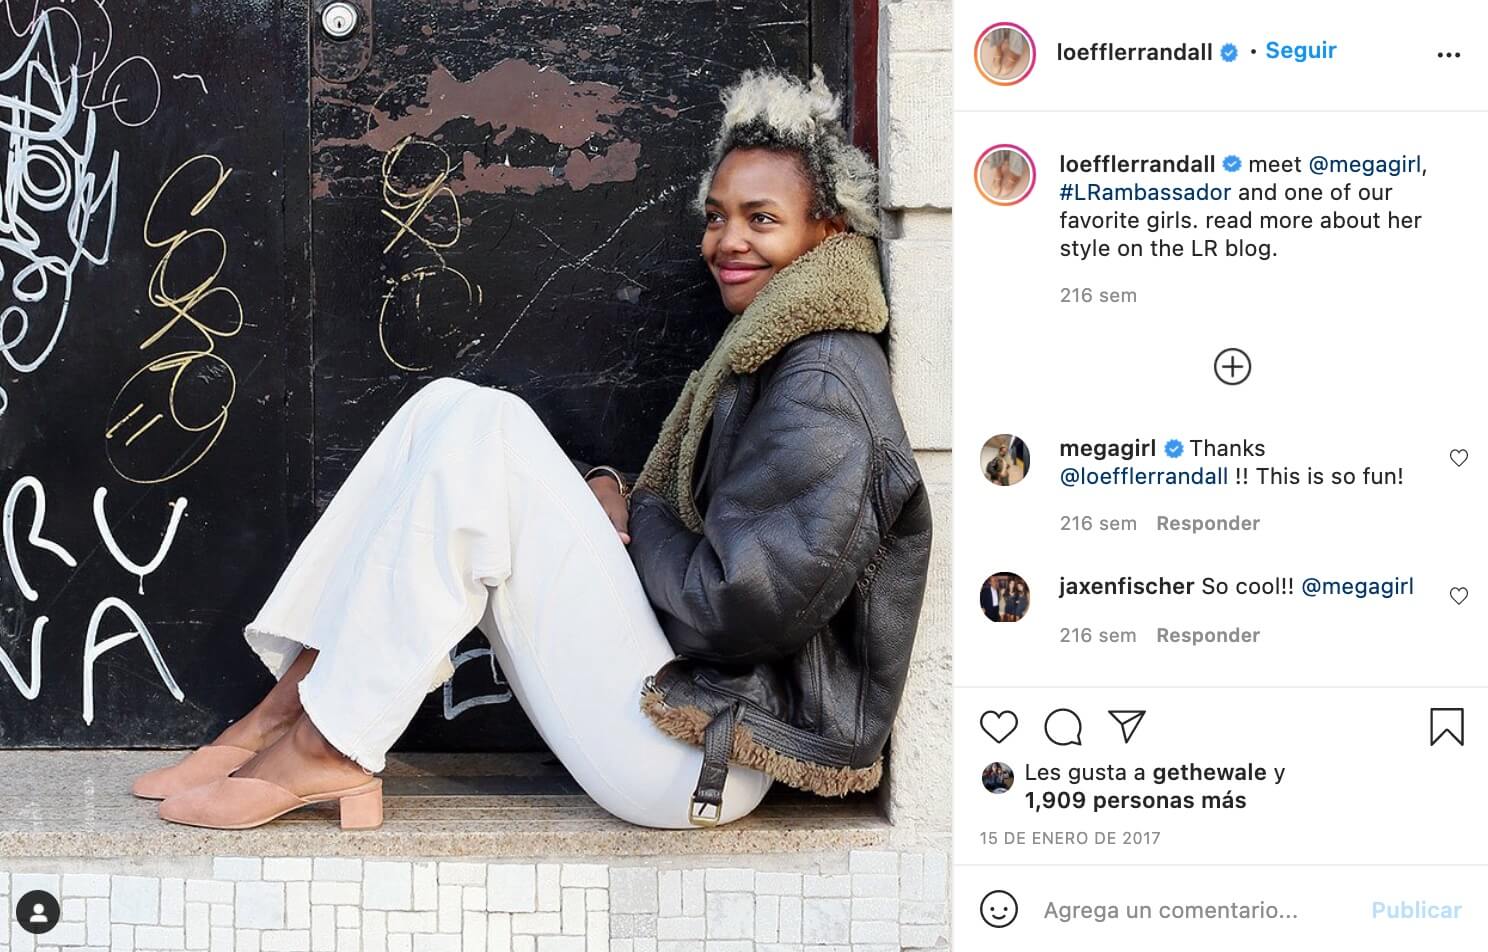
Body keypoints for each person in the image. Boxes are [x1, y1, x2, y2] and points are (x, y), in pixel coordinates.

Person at [131, 66, 932, 831]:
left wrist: (636, 511)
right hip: (688, 717)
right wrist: (615, 495)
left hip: (708, 757)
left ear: (828, 228)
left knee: (489, 430)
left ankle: (328, 743)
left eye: (762, 219)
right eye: (717, 216)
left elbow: (737, 612)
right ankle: (293, 711)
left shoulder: (822, 381)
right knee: (449, 409)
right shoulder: (783, 347)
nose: (728, 240)